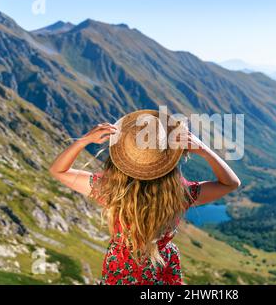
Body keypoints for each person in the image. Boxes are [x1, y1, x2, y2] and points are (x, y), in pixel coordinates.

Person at [49, 110, 241, 285]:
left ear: (124, 157)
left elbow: (58, 171)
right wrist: (203, 150)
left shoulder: (111, 190)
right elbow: (231, 183)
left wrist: (84, 140)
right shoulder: (179, 194)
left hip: (121, 272)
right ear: (168, 159)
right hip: (163, 267)